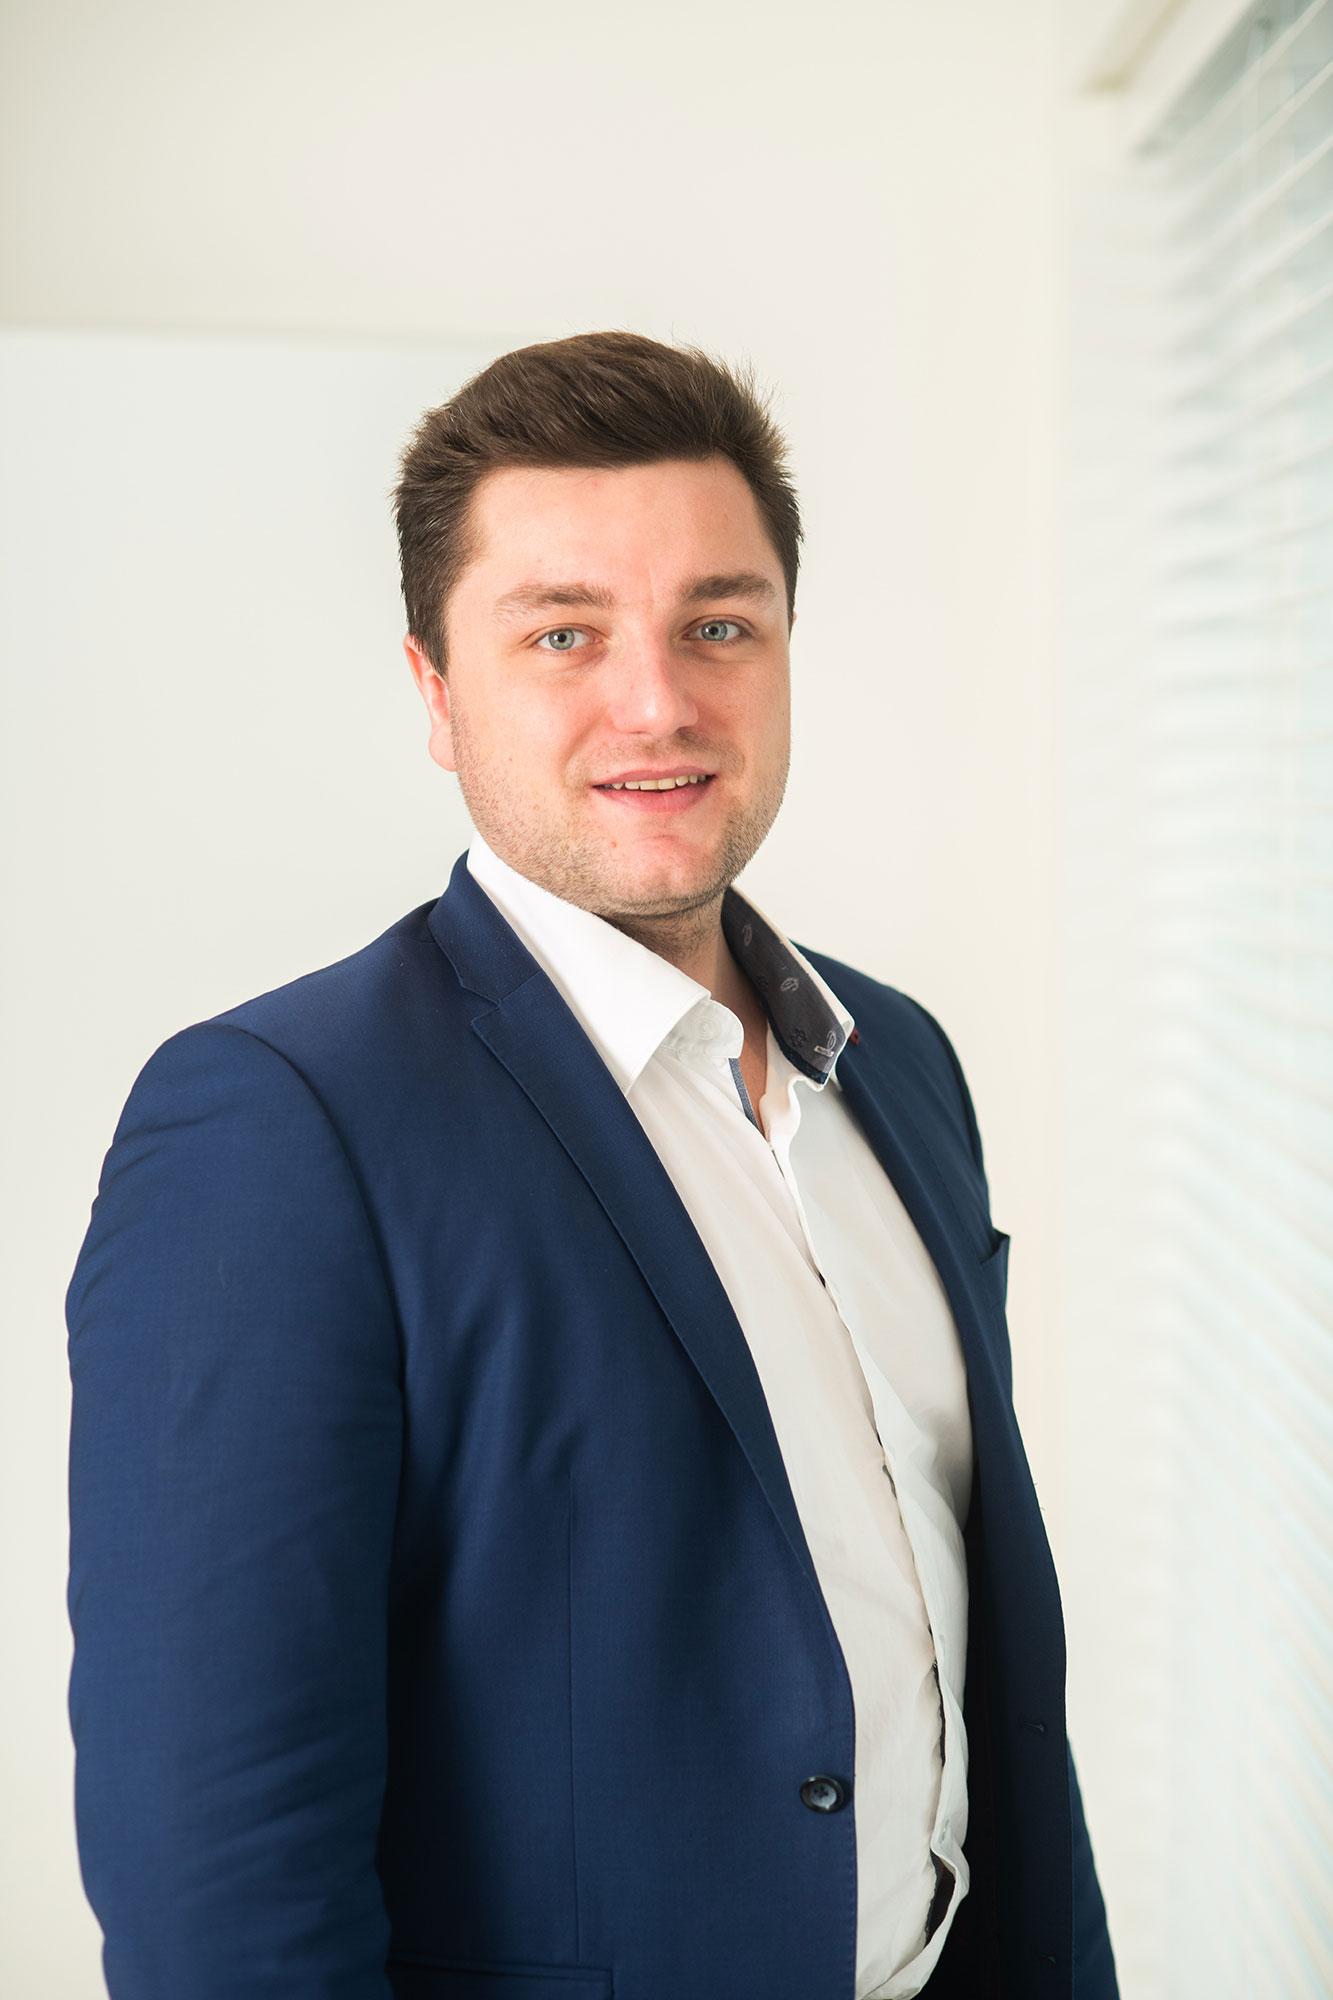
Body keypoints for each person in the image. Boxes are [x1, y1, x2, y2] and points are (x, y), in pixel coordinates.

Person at [65, 329, 1119, 2000]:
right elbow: (221, 1878)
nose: (658, 703)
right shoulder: (280, 1125)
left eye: (719, 624)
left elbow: (968, 1661)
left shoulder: (898, 1062)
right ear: (435, 690)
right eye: (563, 633)